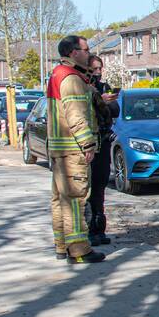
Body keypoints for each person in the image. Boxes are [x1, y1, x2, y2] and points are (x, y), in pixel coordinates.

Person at [47, 35, 105, 264]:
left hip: (59, 148)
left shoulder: (58, 74)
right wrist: (87, 143)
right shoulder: (70, 78)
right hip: (73, 149)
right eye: (86, 49)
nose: (89, 54)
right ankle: (79, 249)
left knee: (60, 199)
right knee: (76, 198)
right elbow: (75, 114)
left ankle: (62, 246)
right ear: (73, 52)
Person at [86, 54, 119, 247]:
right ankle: (89, 228)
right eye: (95, 69)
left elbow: (116, 110)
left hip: (104, 140)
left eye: (101, 68)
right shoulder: (85, 89)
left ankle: (100, 227)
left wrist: (107, 101)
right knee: (89, 189)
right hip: (91, 143)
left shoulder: (103, 88)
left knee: (101, 185)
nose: (98, 72)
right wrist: (99, 101)